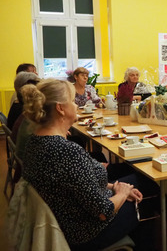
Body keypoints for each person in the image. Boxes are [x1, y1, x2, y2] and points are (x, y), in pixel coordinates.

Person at [20, 79, 148, 250]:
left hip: (67, 219)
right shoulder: (66, 151)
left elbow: (77, 185)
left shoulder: (35, 142)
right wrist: (122, 193)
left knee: (137, 182)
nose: (75, 105)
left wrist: (114, 187)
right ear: (60, 108)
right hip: (85, 231)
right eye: (72, 101)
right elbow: (103, 212)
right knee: (144, 193)